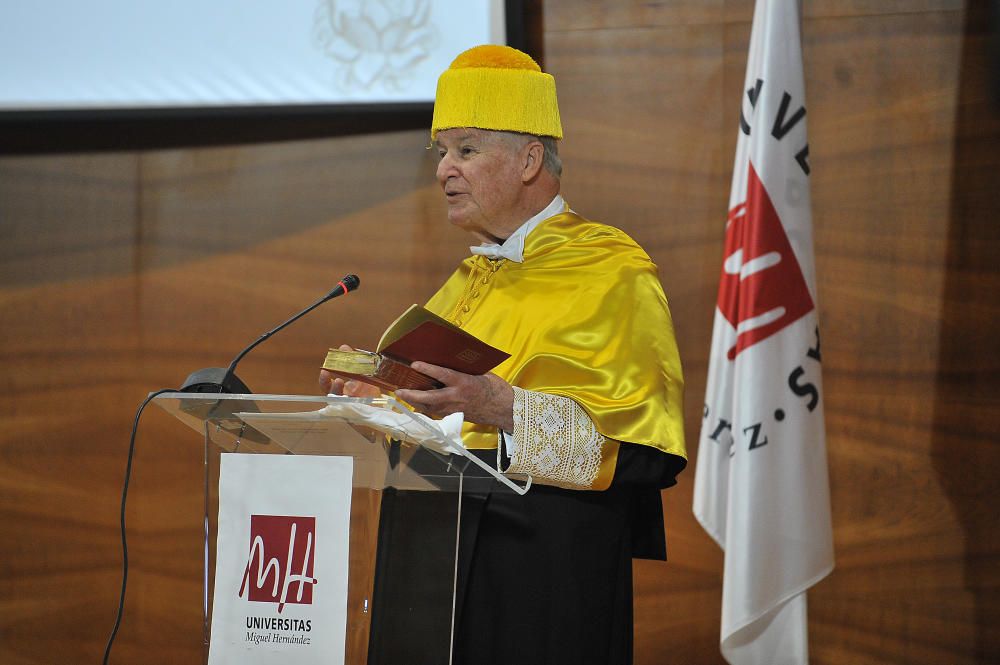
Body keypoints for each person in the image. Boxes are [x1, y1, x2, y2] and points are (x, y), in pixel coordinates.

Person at [320, 44, 686, 665]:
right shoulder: (465, 284)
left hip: (541, 582)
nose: (443, 170)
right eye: (441, 152)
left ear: (529, 160)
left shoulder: (613, 273)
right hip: (431, 566)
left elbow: (646, 453)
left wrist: (504, 407)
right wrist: (376, 395)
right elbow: (440, 422)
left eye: (465, 149)